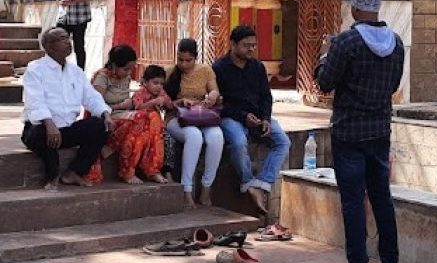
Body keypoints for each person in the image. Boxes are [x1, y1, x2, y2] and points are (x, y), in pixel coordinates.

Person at [315, 0, 404, 263]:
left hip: (349, 131)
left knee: (353, 201)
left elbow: (325, 83)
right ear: (378, 7)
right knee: (381, 196)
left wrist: (324, 55)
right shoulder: (396, 43)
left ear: (353, 7)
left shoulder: (345, 43)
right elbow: (393, 87)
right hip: (380, 130)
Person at [21, 27, 114, 188]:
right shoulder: (35, 69)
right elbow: (34, 100)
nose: (68, 41)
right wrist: (49, 124)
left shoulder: (75, 71)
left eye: (67, 37)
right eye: (62, 39)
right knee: (38, 134)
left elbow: (90, 96)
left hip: (66, 130)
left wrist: (105, 113)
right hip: (42, 128)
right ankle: (52, 176)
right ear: (49, 46)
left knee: (100, 126)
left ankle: (74, 172)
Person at [214, 25, 291, 215]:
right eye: (246, 45)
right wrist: (243, 117)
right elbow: (219, 104)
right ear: (232, 44)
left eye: (253, 46)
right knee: (239, 143)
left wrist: (265, 118)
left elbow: (266, 96)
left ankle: (262, 182)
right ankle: (248, 182)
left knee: (282, 141)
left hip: (258, 117)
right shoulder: (219, 68)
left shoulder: (257, 67)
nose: (250, 49)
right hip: (232, 117)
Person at [85, 46, 167, 185]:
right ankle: (127, 171)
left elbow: (128, 102)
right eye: (126, 69)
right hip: (105, 117)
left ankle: (152, 168)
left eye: (131, 69)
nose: (129, 73)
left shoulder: (126, 77)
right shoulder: (102, 78)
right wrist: (119, 107)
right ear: (114, 65)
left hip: (122, 114)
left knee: (153, 117)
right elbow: (95, 105)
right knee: (140, 119)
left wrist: (131, 104)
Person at [165, 38, 224, 209]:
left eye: (188, 60)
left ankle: (206, 189)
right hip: (176, 118)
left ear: (196, 58)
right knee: (194, 136)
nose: (184, 64)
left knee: (216, 137)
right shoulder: (170, 73)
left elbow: (215, 91)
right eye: (180, 59)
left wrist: (212, 96)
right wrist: (181, 101)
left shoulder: (206, 70)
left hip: (202, 116)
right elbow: (163, 103)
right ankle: (187, 190)